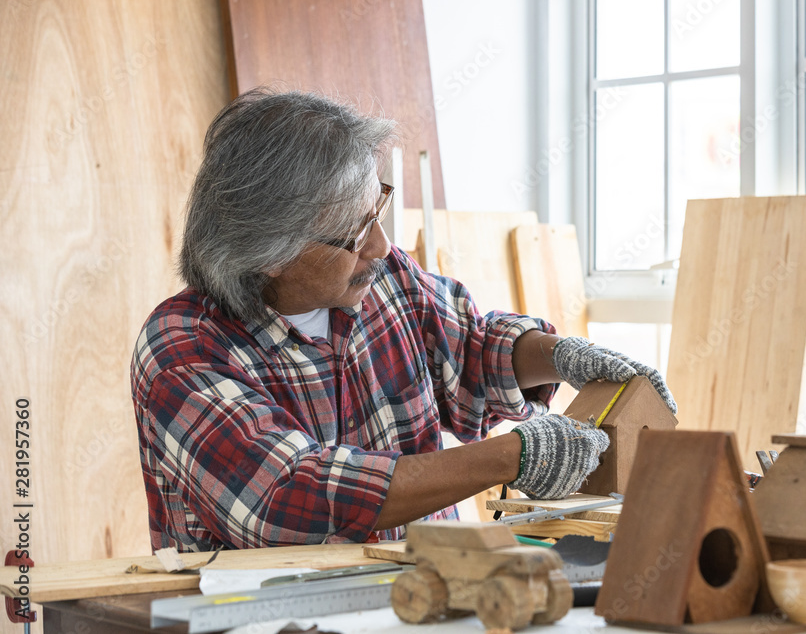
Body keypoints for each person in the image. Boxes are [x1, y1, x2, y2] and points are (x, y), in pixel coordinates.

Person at [131, 89, 676, 552]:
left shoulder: (383, 279)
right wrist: (514, 456)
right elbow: (291, 495)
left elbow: (470, 351)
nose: (381, 245)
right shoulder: (183, 352)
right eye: (353, 232)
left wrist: (555, 354)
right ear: (269, 252)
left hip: (424, 598)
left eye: (378, 211)